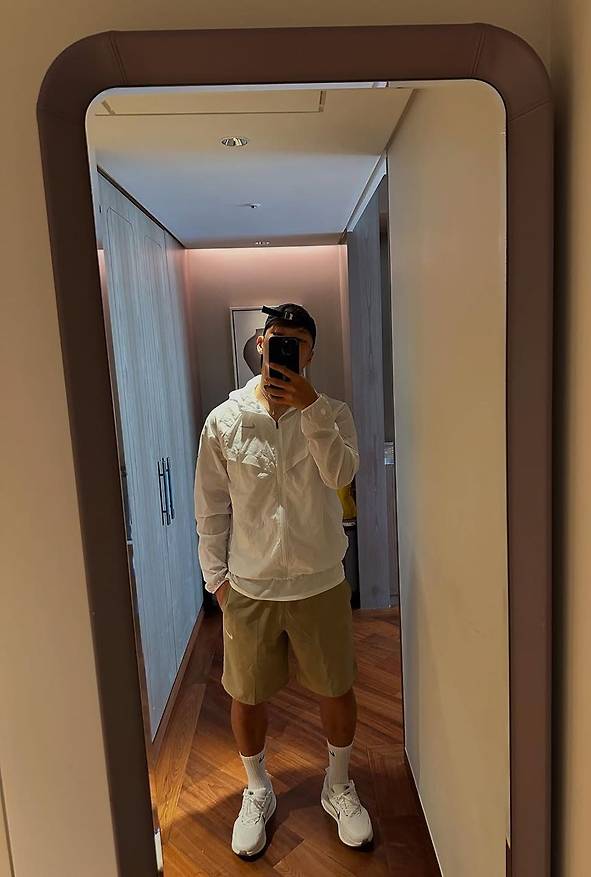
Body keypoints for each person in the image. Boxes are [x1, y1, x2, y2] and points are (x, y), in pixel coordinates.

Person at [194, 302, 373, 858]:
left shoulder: (333, 413)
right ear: (260, 345)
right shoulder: (225, 420)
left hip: (320, 582)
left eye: (296, 344)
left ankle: (337, 785)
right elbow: (210, 506)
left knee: (336, 687)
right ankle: (257, 789)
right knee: (245, 695)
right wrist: (216, 580)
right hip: (249, 587)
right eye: (276, 342)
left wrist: (311, 409)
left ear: (311, 352)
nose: (285, 352)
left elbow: (340, 474)